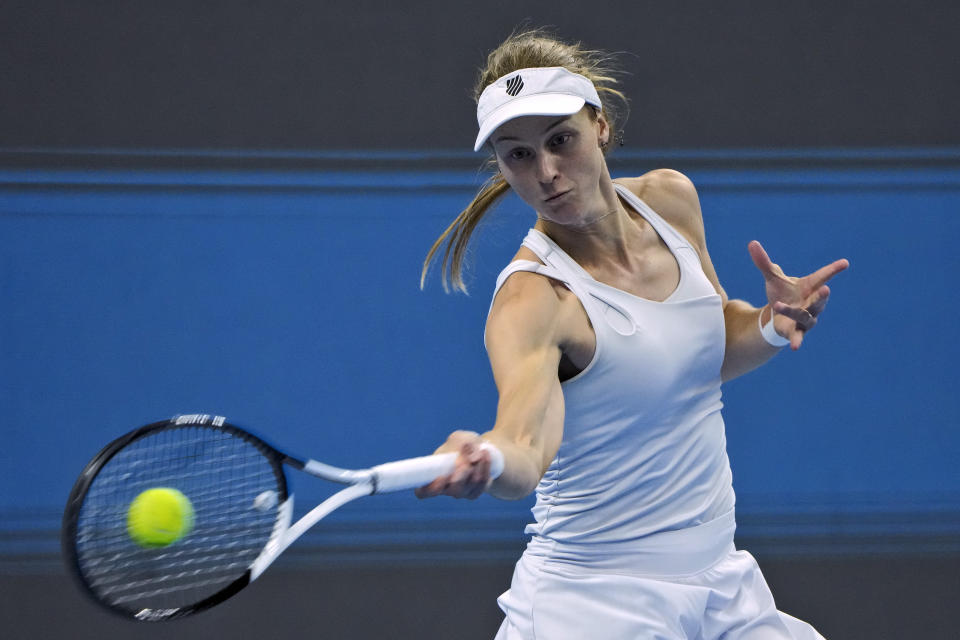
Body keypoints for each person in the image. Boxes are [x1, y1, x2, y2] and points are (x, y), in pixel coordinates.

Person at [416, 29, 848, 640]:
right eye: (517, 155)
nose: (545, 173)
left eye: (560, 140)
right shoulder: (533, 299)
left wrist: (769, 326)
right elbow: (525, 445)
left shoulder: (670, 201)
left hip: (721, 582)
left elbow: (703, 347)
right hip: (592, 604)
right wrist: (486, 457)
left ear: (600, 126)